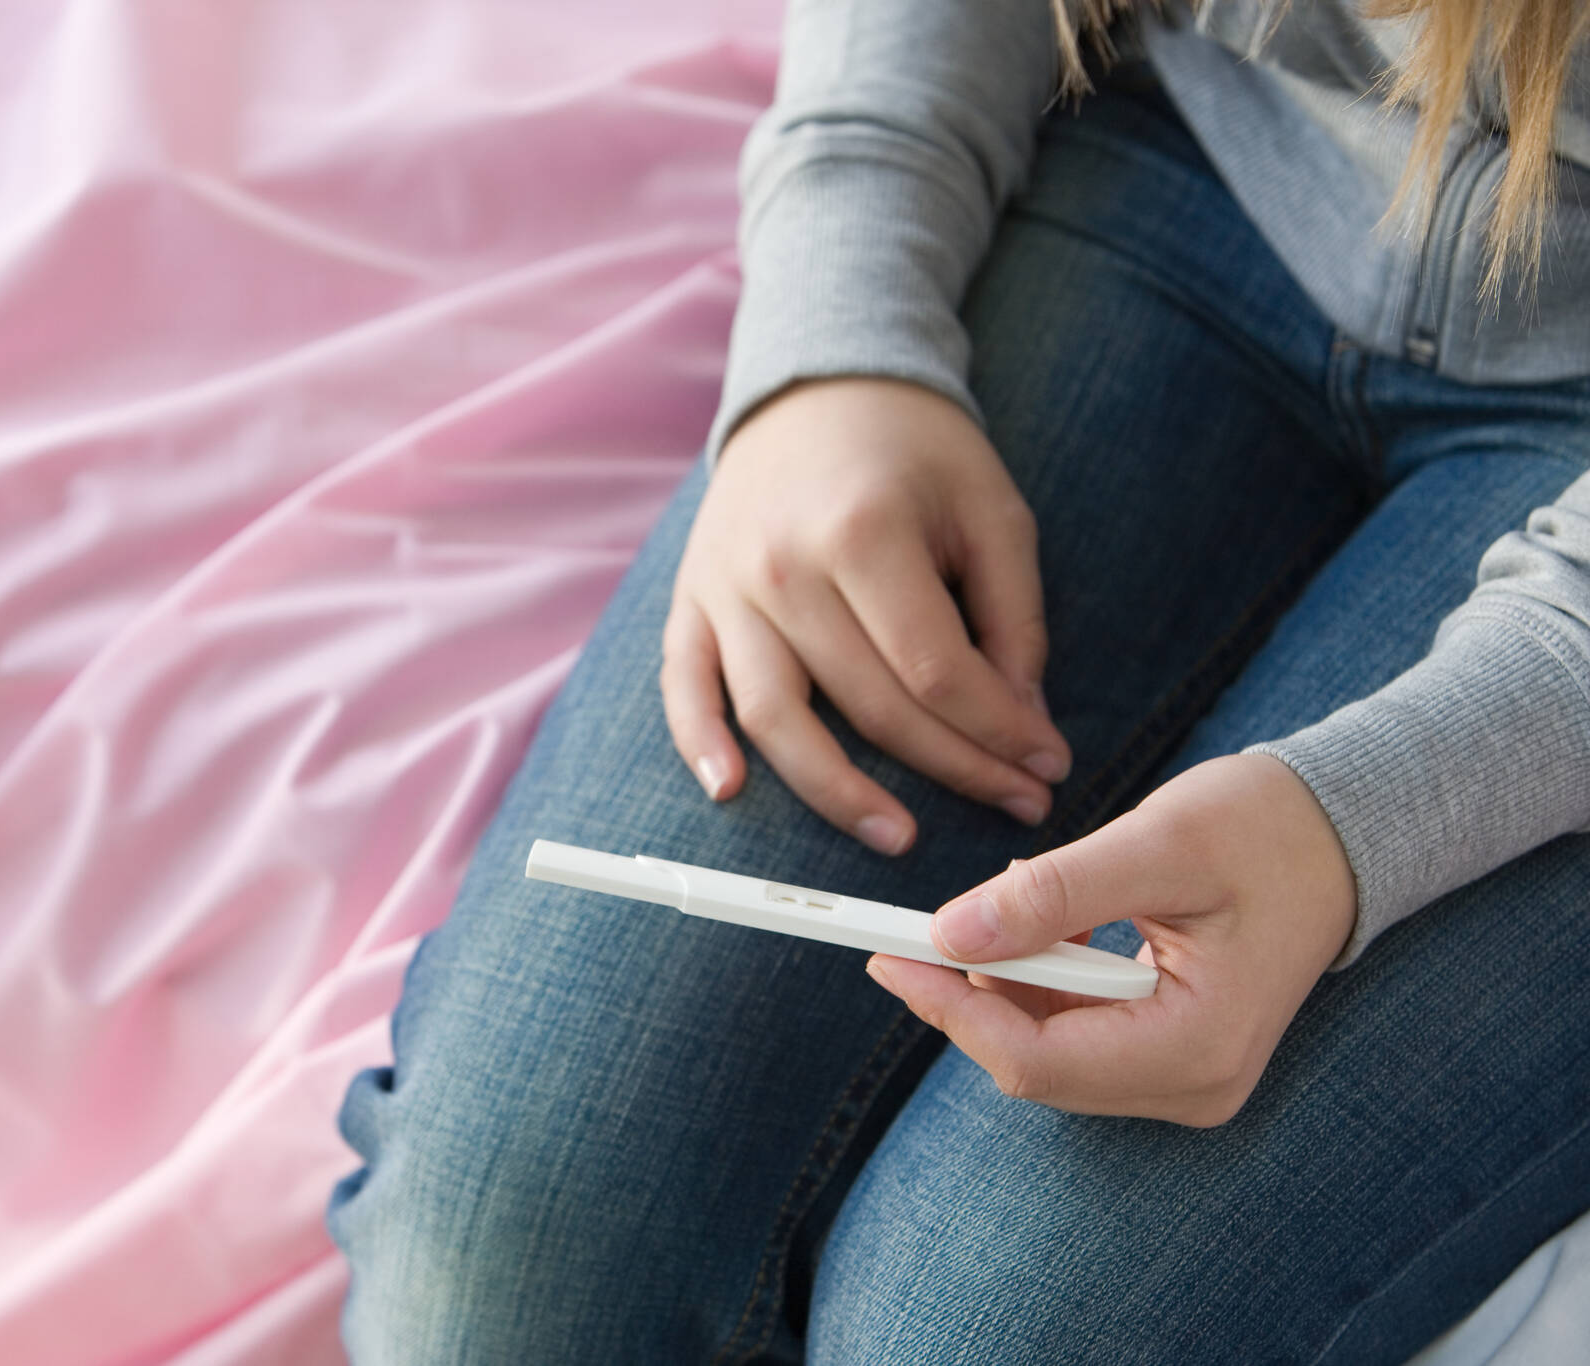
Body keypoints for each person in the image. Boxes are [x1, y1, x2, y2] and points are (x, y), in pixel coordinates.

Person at [328, 1, 1590, 1360]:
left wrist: (1360, 825)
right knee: (498, 1250)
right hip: (1183, 143)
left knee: (978, 1332)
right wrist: (833, 338)